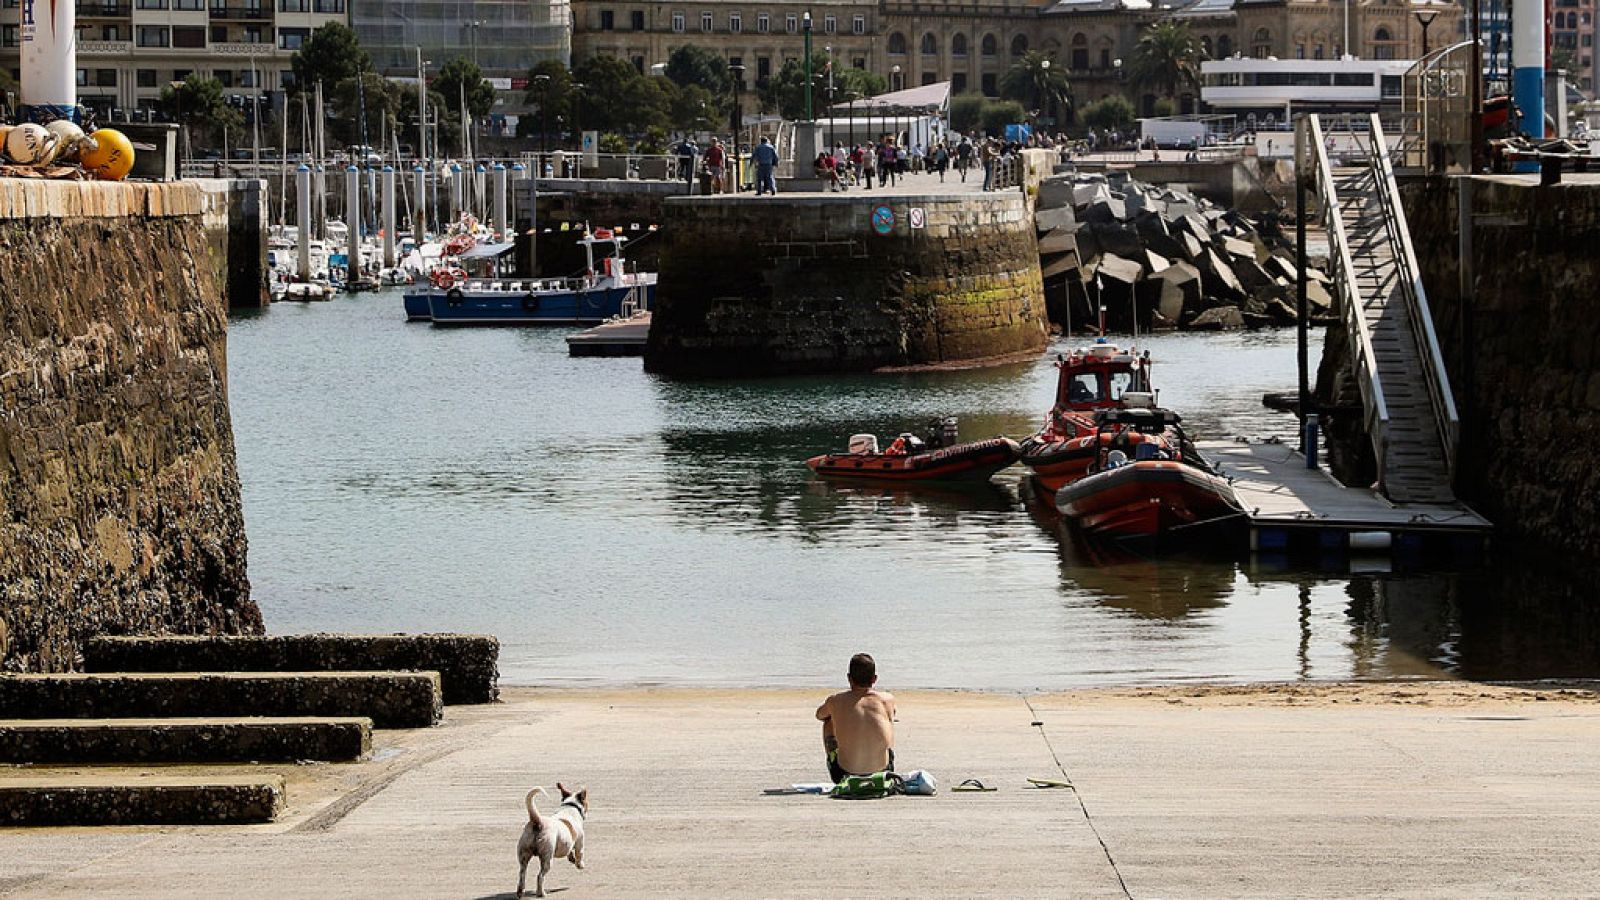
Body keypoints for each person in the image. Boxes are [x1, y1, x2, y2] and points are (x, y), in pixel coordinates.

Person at [816, 653, 896, 784]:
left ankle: (834, 757)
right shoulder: (887, 699)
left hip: (844, 774)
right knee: (887, 719)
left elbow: (819, 715)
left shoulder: (835, 700)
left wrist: (839, 714)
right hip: (883, 772)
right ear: (874, 679)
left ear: (849, 678)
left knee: (828, 720)